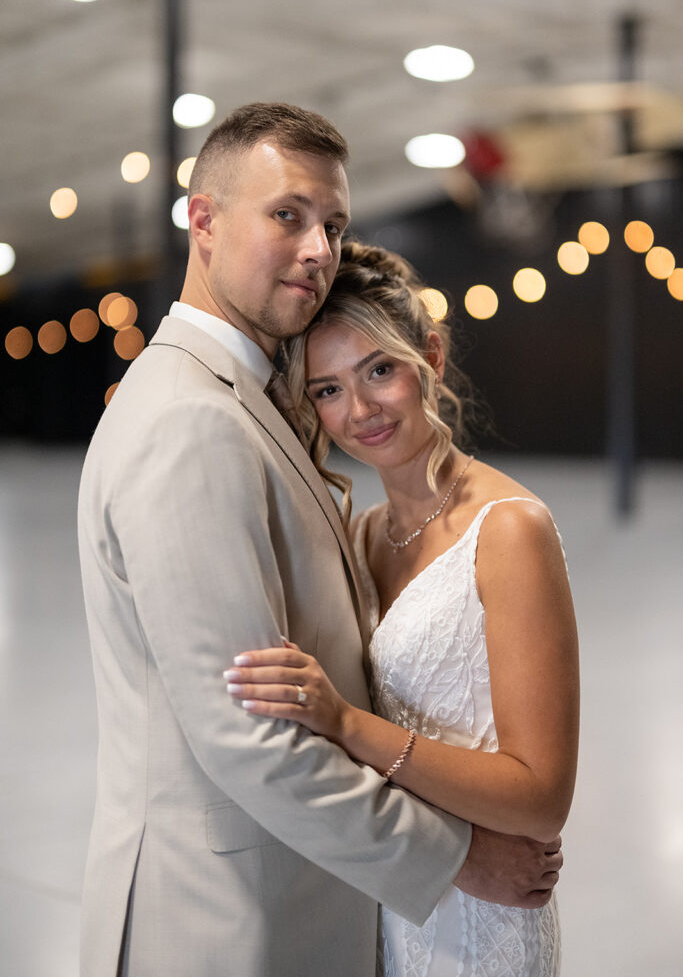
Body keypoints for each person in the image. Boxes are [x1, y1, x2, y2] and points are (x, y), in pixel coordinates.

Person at [78, 105, 563, 977]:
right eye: (287, 215)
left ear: (430, 362)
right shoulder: (191, 420)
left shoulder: (235, 400)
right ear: (203, 219)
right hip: (229, 920)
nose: (317, 249)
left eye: (332, 225)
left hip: (326, 897)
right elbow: (248, 735)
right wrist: (453, 858)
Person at [225, 240, 580, 976]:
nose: (357, 411)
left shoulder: (509, 531)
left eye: (378, 370)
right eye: (326, 390)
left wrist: (348, 727)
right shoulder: (359, 536)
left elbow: (540, 800)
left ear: (432, 357)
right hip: (390, 891)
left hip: (482, 921)